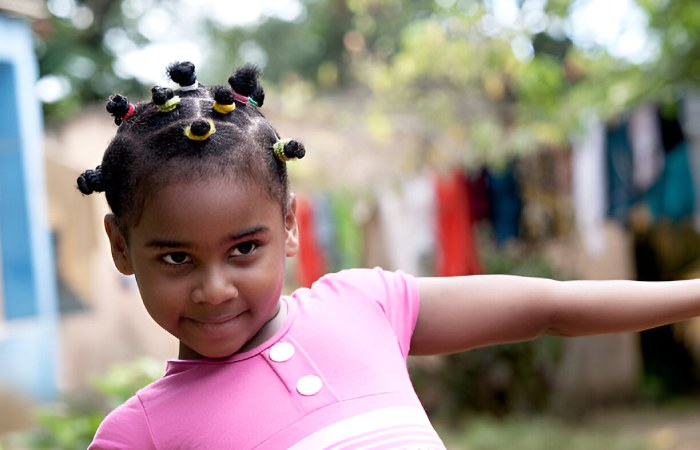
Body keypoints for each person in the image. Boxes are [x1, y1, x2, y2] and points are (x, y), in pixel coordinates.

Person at [78, 61, 700, 449]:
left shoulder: (364, 305)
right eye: (177, 259)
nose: (215, 288)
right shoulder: (141, 436)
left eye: (244, 248)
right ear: (122, 247)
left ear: (289, 227)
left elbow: (549, 306)